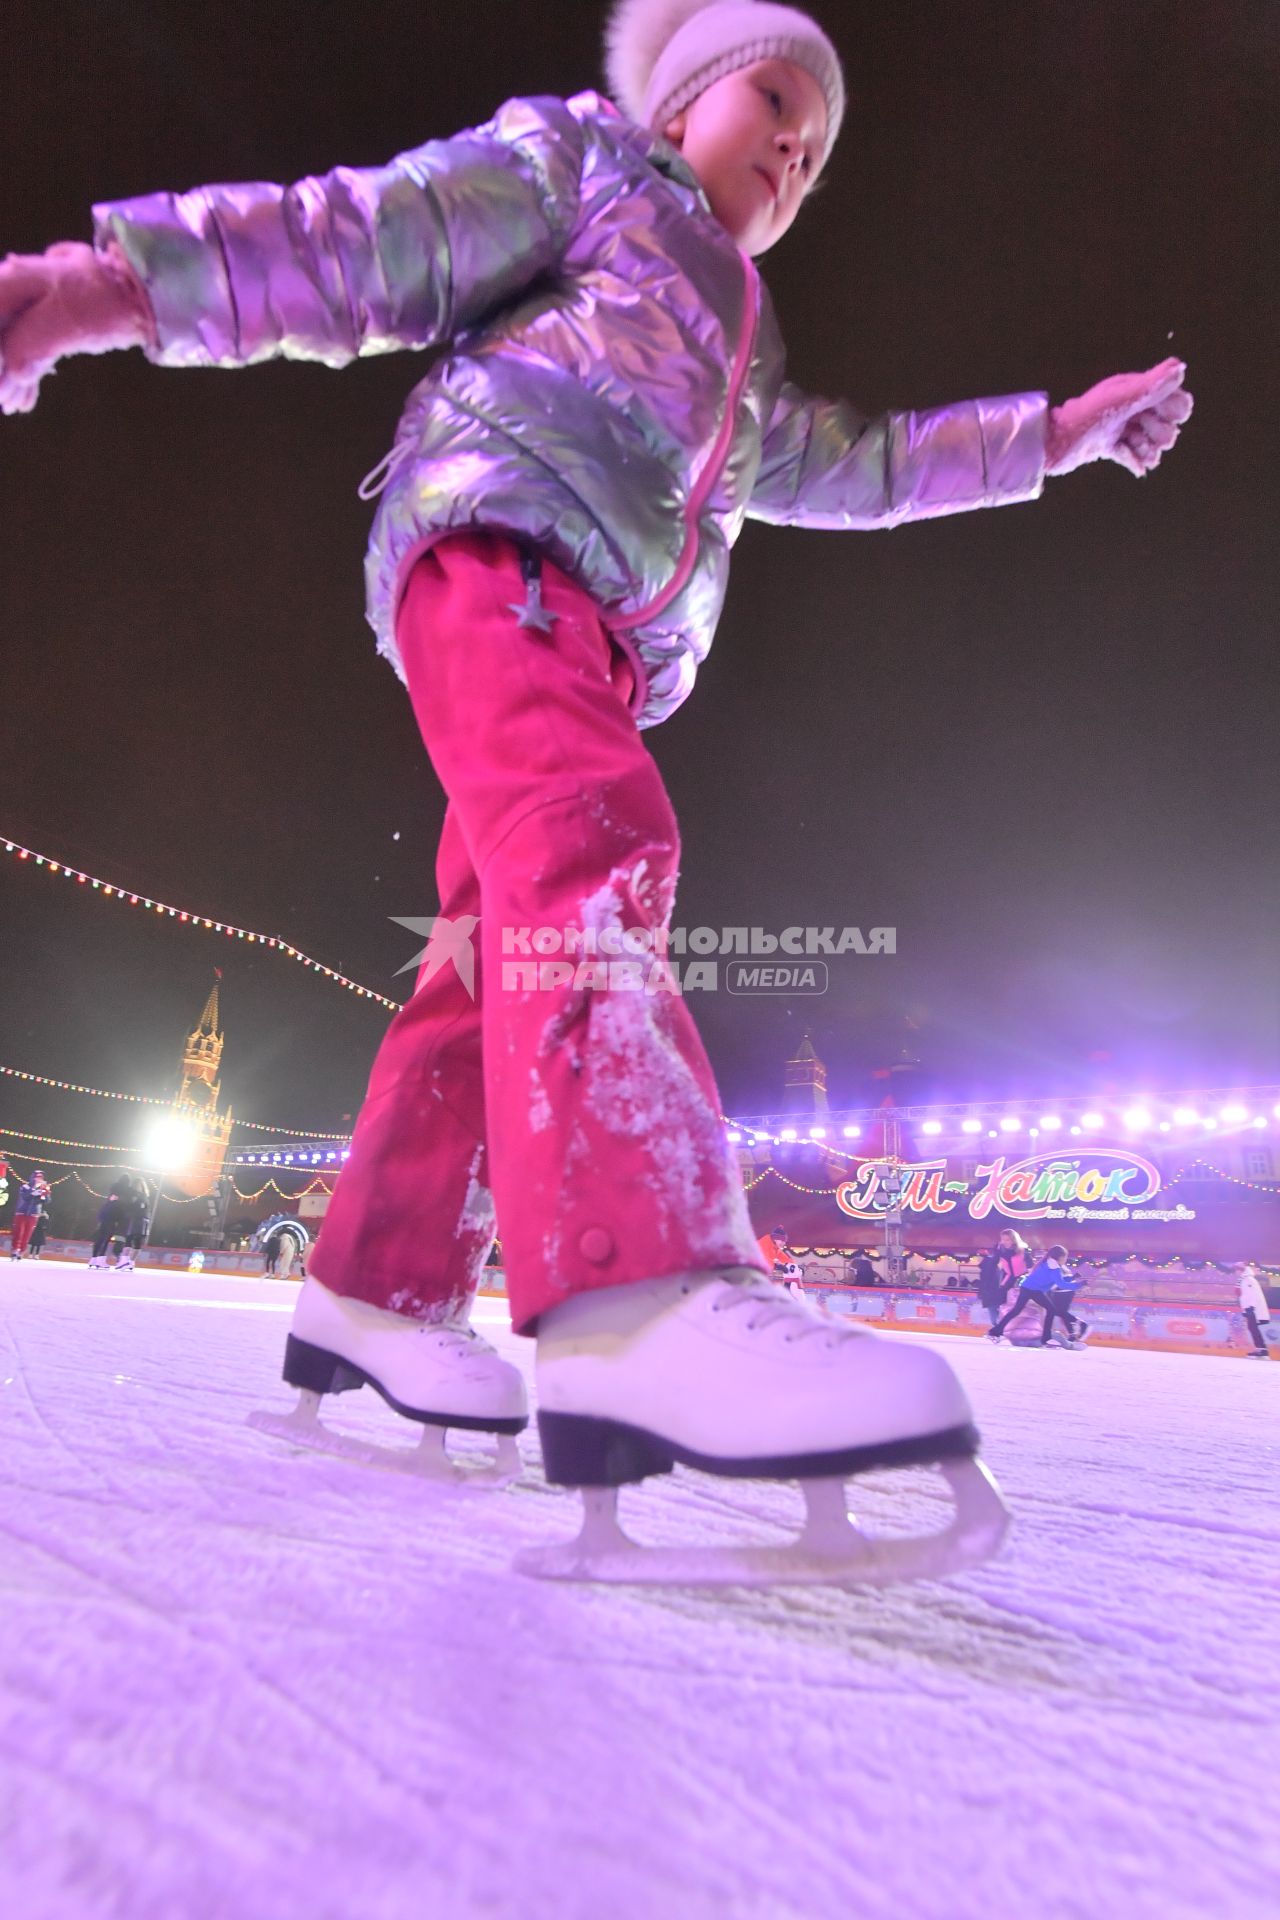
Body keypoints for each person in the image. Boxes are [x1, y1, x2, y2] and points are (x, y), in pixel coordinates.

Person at [0, 0, 1192, 1575]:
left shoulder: (742, 346)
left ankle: (377, 1287)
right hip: (502, 555)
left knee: (485, 964)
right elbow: (367, 239)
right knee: (597, 843)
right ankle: (646, 1290)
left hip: (601, 633)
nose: (794, 150)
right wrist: (102, 286)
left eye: (819, 150)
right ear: (687, 90)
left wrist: (1049, 437)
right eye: (777, 101)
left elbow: (862, 465)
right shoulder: (586, 169)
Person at [988, 1244, 1073, 1344]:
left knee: (1017, 1311)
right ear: (1060, 1257)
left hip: (1030, 1290)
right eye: (1065, 1257)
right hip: (1032, 1291)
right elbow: (1058, 1282)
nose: (1066, 1259)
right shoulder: (1052, 1266)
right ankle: (1046, 1338)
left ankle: (995, 1331)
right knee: (1050, 1310)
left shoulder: (1047, 1263)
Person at [88, 1176, 133, 1270]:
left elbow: (108, 1203)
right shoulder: (125, 1194)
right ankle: (100, 1260)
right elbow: (123, 1208)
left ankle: (94, 1259)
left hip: (104, 1214)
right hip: (112, 1218)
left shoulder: (112, 1193)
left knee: (100, 1238)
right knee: (105, 1238)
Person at [8, 1169, 51, 1259]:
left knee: (27, 1233)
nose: (38, 1179)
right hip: (21, 1211)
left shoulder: (43, 1187)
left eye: (40, 1177)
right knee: (18, 1232)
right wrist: (33, 1191)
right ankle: (15, 1249)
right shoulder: (25, 1187)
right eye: (37, 1177)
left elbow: (46, 1201)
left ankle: (21, 1251)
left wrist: (45, 1194)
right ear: (33, 1177)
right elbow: (24, 1197)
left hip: (33, 1213)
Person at [1237, 1263, 1272, 1359]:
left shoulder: (1248, 1279)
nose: (1236, 1272)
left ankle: (1262, 1350)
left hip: (1252, 1309)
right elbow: (1244, 1296)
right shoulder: (1245, 1279)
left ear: (1240, 1270)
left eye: (1237, 1270)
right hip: (1250, 1308)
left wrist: (1251, 1307)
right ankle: (1261, 1349)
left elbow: (1251, 1294)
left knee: (1253, 1328)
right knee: (1252, 1328)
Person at [975, 1248, 1009, 1329]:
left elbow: (986, 1282)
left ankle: (998, 1329)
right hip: (992, 1293)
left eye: (978, 1257)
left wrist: (998, 1249)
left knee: (994, 1313)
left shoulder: (988, 1265)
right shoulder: (987, 1266)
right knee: (994, 1312)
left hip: (992, 1294)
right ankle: (998, 1328)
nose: (977, 1259)